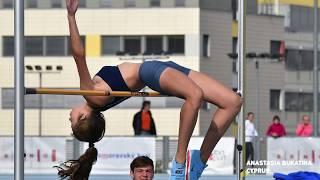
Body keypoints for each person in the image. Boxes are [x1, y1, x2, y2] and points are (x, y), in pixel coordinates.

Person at [56, 0, 242, 179]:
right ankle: (179, 163)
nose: (69, 116)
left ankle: (197, 164)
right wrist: (71, 17)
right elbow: (79, 56)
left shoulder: (98, 102)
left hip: (161, 68)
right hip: (150, 72)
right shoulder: (92, 97)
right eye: (70, 120)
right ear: (82, 117)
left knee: (233, 102)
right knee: (195, 95)